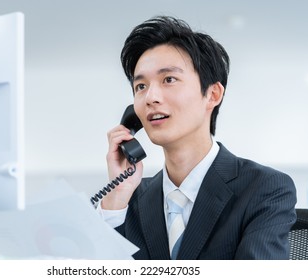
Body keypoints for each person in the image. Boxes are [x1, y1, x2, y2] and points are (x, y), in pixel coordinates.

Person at [97, 15, 297, 260]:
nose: (150, 97)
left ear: (212, 94)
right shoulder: (130, 199)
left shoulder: (263, 189)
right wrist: (116, 199)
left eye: (168, 79)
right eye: (141, 86)